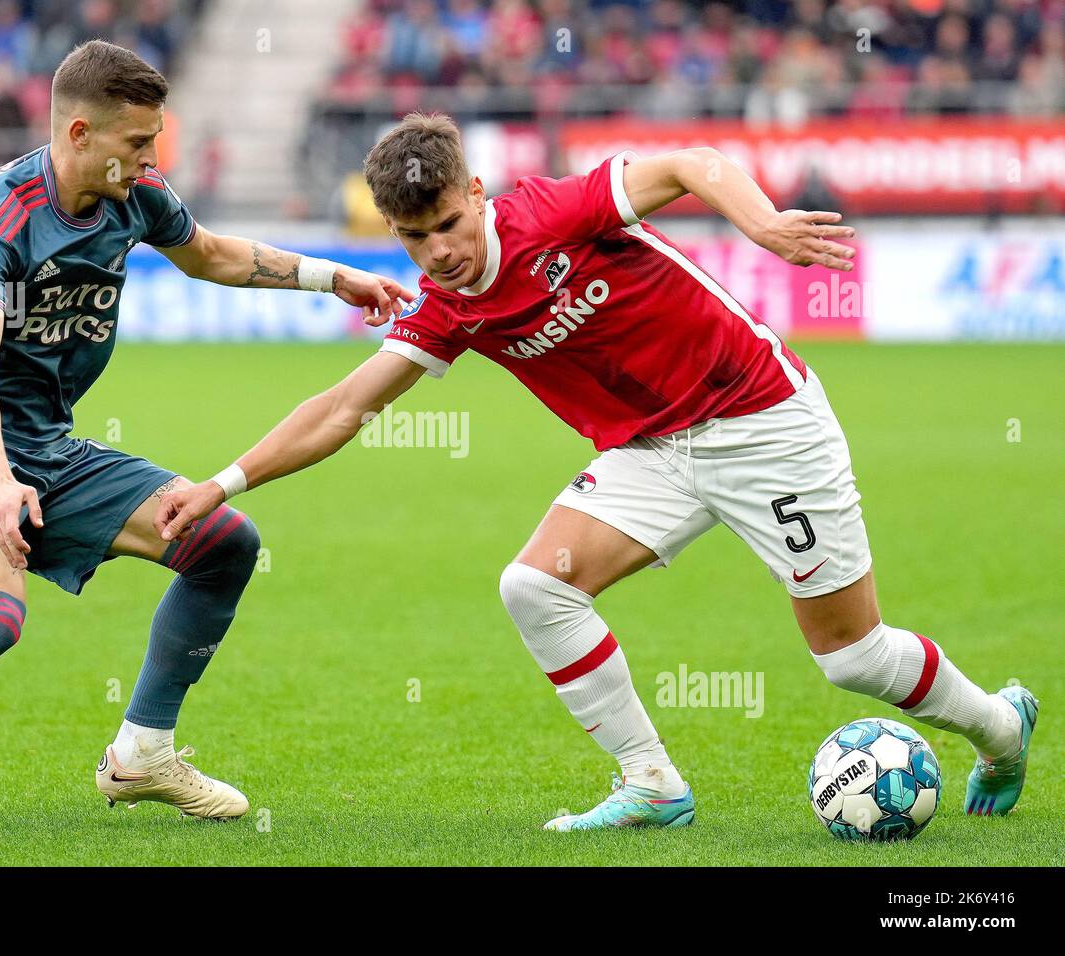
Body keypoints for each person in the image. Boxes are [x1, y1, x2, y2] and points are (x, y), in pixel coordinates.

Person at [153, 113, 1037, 832]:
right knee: (534, 587)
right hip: (652, 452)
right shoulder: (449, 307)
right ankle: (652, 783)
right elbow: (343, 410)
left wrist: (762, 224)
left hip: (763, 422)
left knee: (852, 658)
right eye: (415, 239)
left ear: (476, 193)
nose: (439, 254)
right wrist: (222, 483)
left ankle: (999, 728)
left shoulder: (559, 212)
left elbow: (693, 162)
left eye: (450, 226)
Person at [0, 41, 416, 852]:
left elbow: (213, 255)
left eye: (155, 140)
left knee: (222, 540)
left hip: (51, 446)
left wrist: (334, 277)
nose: (153, 157)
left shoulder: (136, 194)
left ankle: (142, 754)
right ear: (79, 132)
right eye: (137, 142)